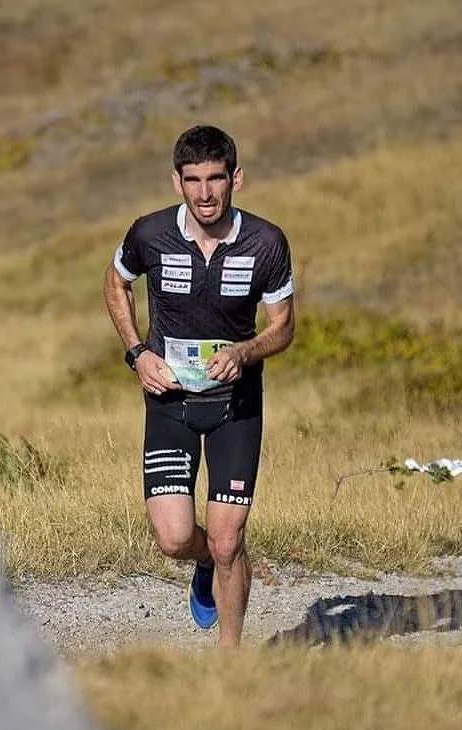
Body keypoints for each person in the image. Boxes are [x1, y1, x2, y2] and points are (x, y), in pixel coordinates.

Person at [102, 124, 295, 648]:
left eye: (215, 179)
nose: (205, 193)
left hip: (236, 404)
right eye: (193, 180)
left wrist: (243, 352)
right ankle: (207, 561)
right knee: (174, 538)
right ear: (176, 181)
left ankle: (230, 665)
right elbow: (116, 283)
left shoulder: (266, 242)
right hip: (169, 402)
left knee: (230, 541)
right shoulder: (150, 234)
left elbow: (283, 328)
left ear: (236, 178)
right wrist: (137, 352)